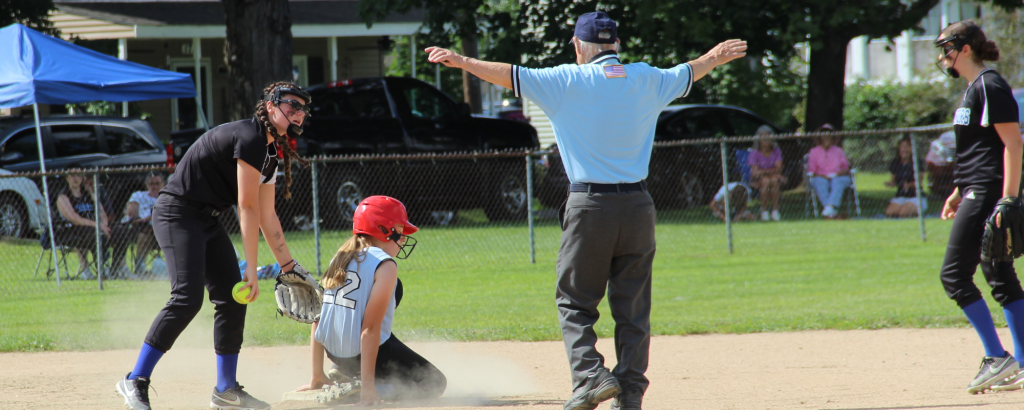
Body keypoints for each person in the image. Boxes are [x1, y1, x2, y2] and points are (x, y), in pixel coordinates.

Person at [424, 11, 747, 410]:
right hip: (639, 207)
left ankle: (591, 376)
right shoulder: (646, 77)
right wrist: (715, 57)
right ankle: (629, 394)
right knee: (633, 309)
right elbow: (691, 70)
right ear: (616, 46)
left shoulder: (567, 80)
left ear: (579, 46)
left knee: (574, 301)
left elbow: (508, 73)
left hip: (590, 206)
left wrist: (462, 61)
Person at [115, 81, 313, 410]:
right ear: (268, 106)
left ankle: (225, 390)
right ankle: (135, 379)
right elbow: (246, 207)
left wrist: (288, 266)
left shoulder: (269, 152)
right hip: (177, 214)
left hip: (206, 220)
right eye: (289, 104)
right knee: (187, 298)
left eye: (302, 107)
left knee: (232, 298)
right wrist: (251, 268)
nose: (297, 110)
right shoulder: (250, 137)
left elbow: (267, 215)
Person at [933, 21, 1024, 394]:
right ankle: (1018, 363)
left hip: (988, 192)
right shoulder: (974, 88)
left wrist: (1009, 197)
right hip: (975, 188)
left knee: (954, 275)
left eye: (947, 47)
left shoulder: (989, 84)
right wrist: (958, 189)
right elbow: (979, 149)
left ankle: (996, 357)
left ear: (965, 48)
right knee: (999, 275)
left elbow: (1013, 145)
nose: (942, 56)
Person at [295, 195, 446, 405]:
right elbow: (370, 330)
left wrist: (317, 376)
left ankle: (347, 372)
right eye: (400, 232)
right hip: (362, 353)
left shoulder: (340, 257)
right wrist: (368, 388)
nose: (403, 239)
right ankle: (360, 386)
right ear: (384, 230)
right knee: (435, 383)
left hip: (335, 354)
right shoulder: (385, 265)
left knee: (396, 289)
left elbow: (319, 319)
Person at [54, 169, 110, 279]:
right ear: (67, 178)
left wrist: (91, 193)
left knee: (121, 231)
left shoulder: (88, 194)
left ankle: (117, 268)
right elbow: (75, 220)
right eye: (72, 175)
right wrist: (99, 226)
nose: (76, 178)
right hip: (74, 231)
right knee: (96, 235)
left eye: (79, 175)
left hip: (95, 228)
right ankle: (98, 270)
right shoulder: (63, 196)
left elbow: (102, 214)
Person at [110, 172, 165, 278]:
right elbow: (131, 215)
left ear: (163, 184)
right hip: (139, 228)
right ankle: (140, 265)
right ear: (146, 185)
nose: (154, 186)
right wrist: (147, 219)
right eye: (151, 184)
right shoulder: (139, 195)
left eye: (157, 183)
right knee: (146, 230)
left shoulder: (167, 197)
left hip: (163, 229)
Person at [807, 127, 851, 219]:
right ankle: (832, 212)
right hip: (821, 176)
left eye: (829, 136)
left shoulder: (838, 151)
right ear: (820, 138)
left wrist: (836, 174)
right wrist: (824, 176)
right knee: (819, 182)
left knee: (837, 182)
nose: (826, 138)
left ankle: (830, 208)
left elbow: (846, 168)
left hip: (838, 176)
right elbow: (812, 171)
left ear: (832, 138)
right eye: (824, 136)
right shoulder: (814, 151)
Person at [748, 125, 786, 221]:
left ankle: (775, 211)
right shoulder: (754, 153)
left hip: (773, 177)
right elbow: (755, 173)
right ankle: (764, 211)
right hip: (758, 179)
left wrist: (770, 173)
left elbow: (779, 168)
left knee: (773, 180)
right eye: (763, 137)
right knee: (765, 181)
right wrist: (774, 172)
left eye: (768, 137)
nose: (765, 140)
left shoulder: (776, 151)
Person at [885, 138, 926, 218]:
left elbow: (919, 181)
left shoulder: (917, 162)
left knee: (903, 213)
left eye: (906, 147)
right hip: (901, 196)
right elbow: (893, 182)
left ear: (911, 149)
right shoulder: (896, 163)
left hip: (915, 196)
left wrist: (909, 185)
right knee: (889, 212)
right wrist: (890, 184)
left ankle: (916, 210)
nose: (903, 149)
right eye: (901, 147)